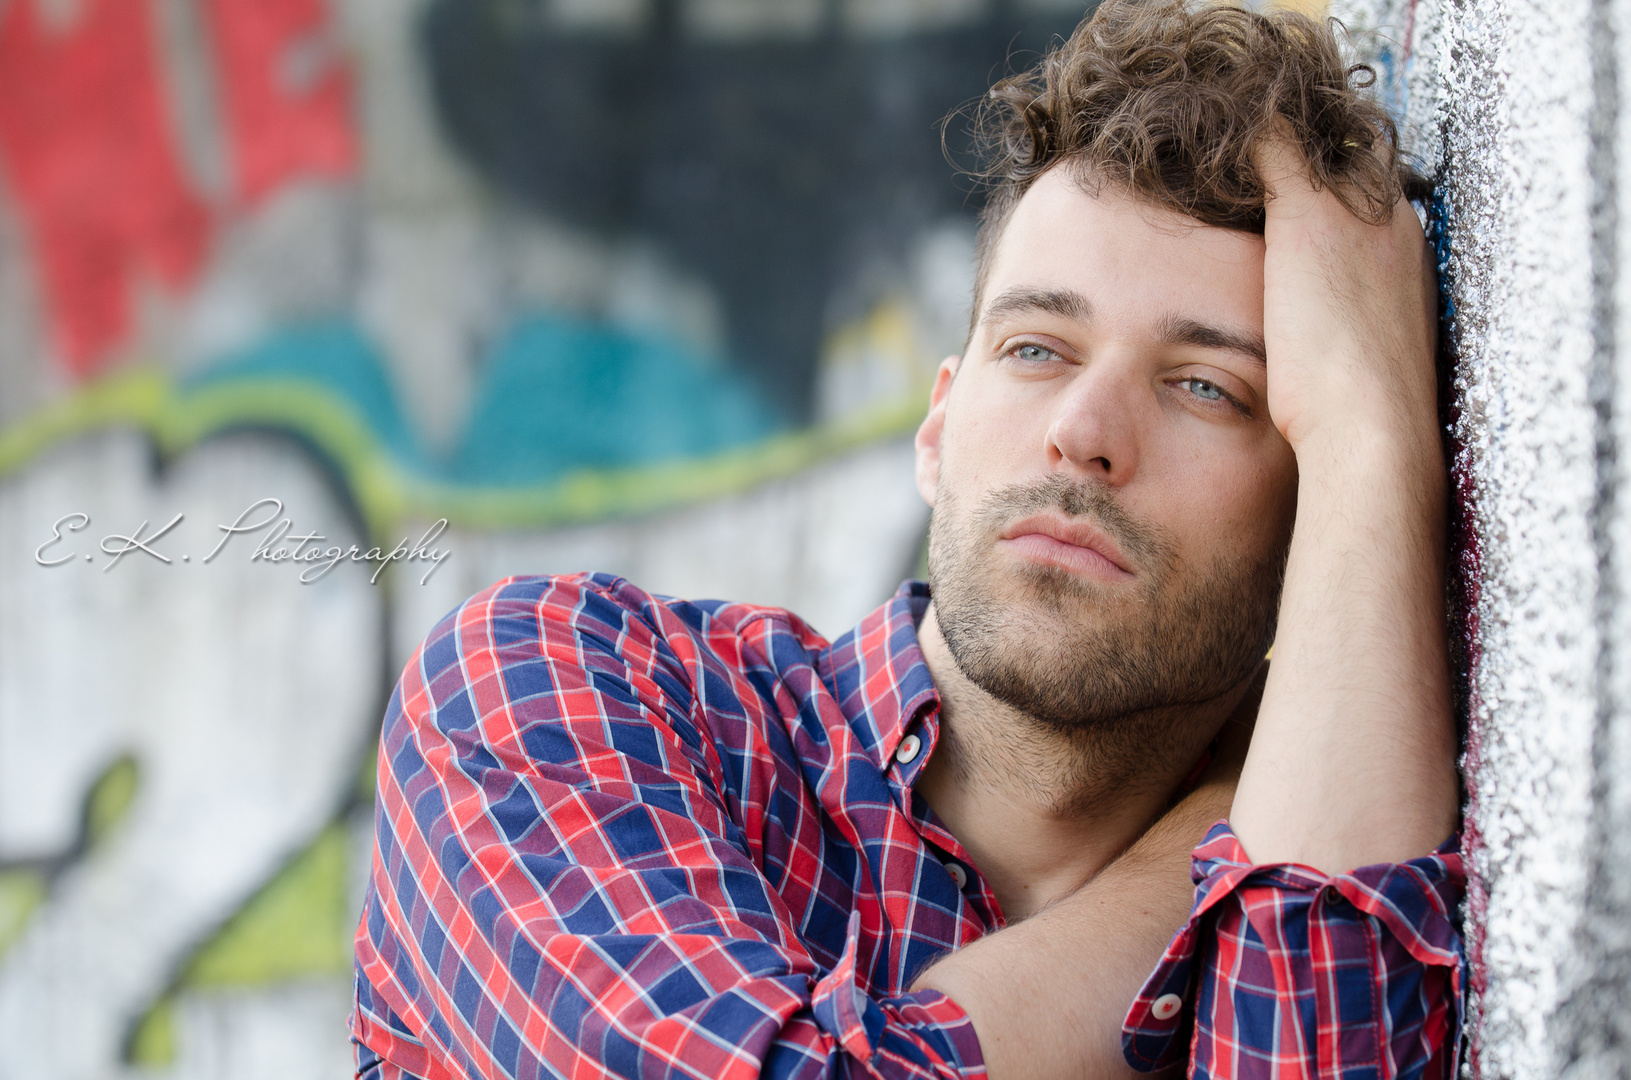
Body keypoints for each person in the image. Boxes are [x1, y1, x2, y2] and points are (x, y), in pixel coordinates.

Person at [349, 2, 1466, 1077]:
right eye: (1036, 348)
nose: (1081, 434)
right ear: (937, 426)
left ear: (1310, 513)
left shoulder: (1363, 805)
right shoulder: (553, 694)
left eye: (1203, 386)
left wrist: (1370, 447)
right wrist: (1217, 847)